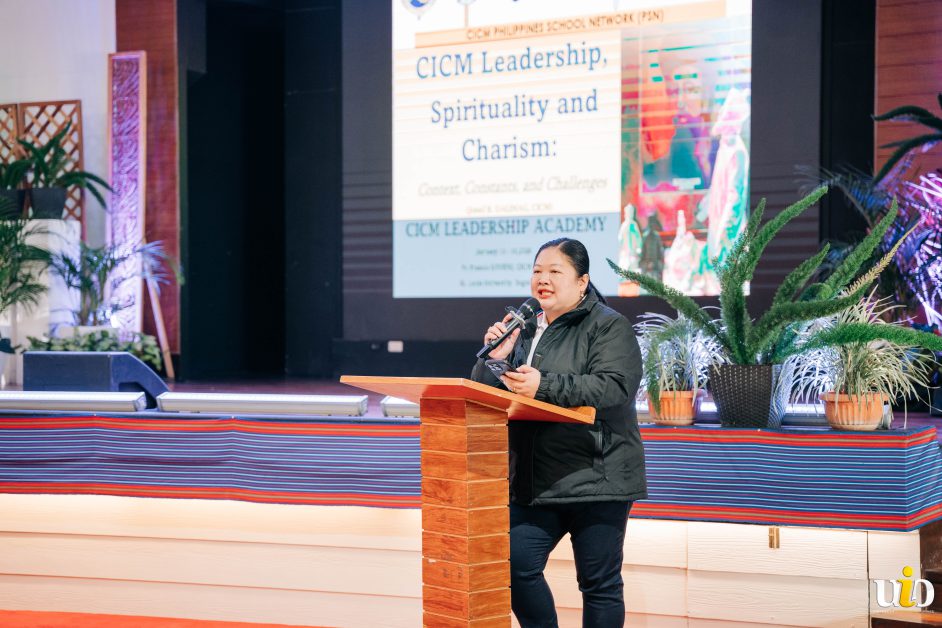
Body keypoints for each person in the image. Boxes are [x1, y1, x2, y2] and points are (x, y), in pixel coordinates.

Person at [470, 238, 646, 628]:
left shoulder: (608, 325)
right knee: (512, 565)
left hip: (597, 477)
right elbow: (488, 392)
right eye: (537, 271)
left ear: (582, 282)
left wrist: (543, 385)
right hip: (536, 480)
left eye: (554, 271)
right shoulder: (523, 330)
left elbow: (615, 387)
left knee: (598, 584)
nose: (542, 279)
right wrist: (494, 360)